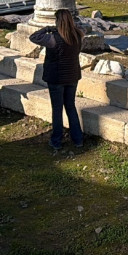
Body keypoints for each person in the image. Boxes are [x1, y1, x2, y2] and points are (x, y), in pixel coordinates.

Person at [29, 9, 84, 150]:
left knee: (57, 109)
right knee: (70, 106)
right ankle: (78, 139)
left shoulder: (53, 38)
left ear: (57, 21)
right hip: (72, 76)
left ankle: (56, 140)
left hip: (56, 78)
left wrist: (47, 28)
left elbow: (33, 37)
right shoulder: (77, 35)